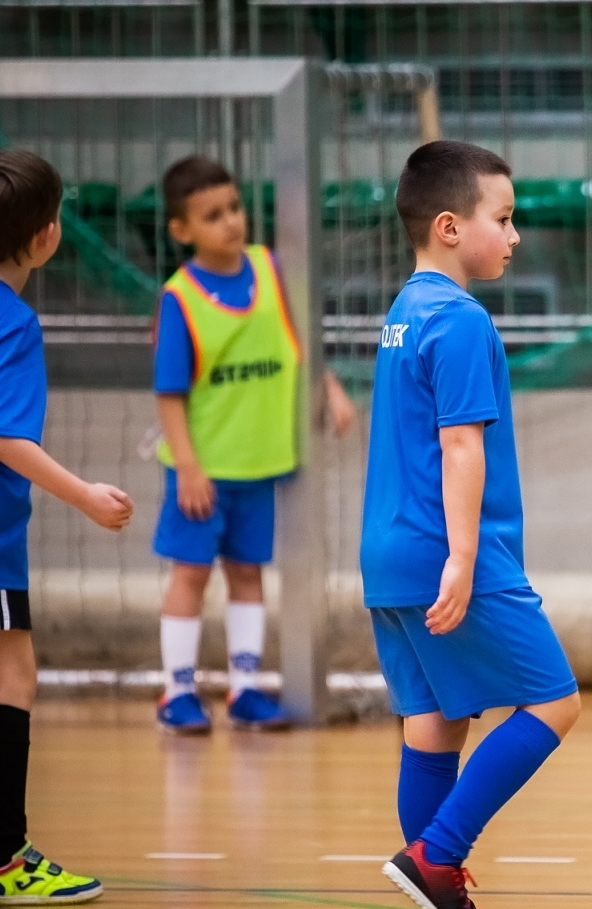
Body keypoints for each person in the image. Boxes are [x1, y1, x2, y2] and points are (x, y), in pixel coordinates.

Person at [365, 141, 580, 909]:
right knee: (555, 702)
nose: (516, 234)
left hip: (386, 556)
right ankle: (435, 857)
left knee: (435, 723)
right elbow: (460, 446)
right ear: (452, 227)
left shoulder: (403, 313)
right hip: (447, 551)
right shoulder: (459, 320)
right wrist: (462, 556)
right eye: (505, 216)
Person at [0, 149, 134, 904]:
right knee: (12, 678)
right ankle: (5, 859)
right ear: (49, 236)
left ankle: (2, 855)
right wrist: (84, 494)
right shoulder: (11, 323)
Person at [150, 155, 357, 734]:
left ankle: (244, 688)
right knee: (190, 574)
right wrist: (188, 467)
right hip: (203, 472)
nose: (231, 222)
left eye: (235, 208)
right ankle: (177, 691)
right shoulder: (179, 298)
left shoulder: (271, 270)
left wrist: (330, 388)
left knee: (247, 574)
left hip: (261, 467)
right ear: (181, 230)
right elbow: (169, 393)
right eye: (213, 215)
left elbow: (302, 345)